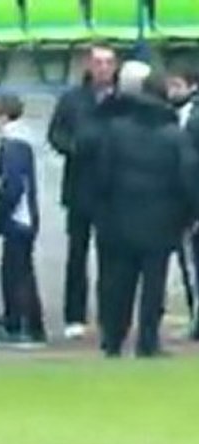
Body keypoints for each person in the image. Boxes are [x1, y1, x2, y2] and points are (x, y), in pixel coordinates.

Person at [94, 68, 199, 358]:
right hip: (162, 220)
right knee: (153, 285)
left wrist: (105, 212)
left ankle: (114, 340)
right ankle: (148, 341)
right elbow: (188, 179)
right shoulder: (174, 136)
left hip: (120, 217)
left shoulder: (115, 131)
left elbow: (102, 177)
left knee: (120, 282)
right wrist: (189, 215)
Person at [47, 43, 118, 340]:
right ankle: (74, 316)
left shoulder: (124, 99)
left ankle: (110, 315)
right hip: (79, 187)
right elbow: (56, 134)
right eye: (97, 62)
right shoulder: (72, 99)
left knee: (111, 256)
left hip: (113, 190)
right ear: (88, 66)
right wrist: (74, 147)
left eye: (108, 63)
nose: (102, 68)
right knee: (77, 254)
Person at [0, 93, 46, 347]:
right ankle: (27, 325)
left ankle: (23, 326)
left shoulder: (12, 144)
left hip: (17, 220)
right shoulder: (22, 142)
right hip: (25, 219)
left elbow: (11, 187)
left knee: (16, 274)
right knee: (21, 271)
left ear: (2, 115)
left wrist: (0, 216)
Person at [166, 62, 199, 337]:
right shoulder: (167, 117)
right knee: (188, 265)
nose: (171, 91)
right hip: (177, 205)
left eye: (177, 85)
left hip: (194, 202)